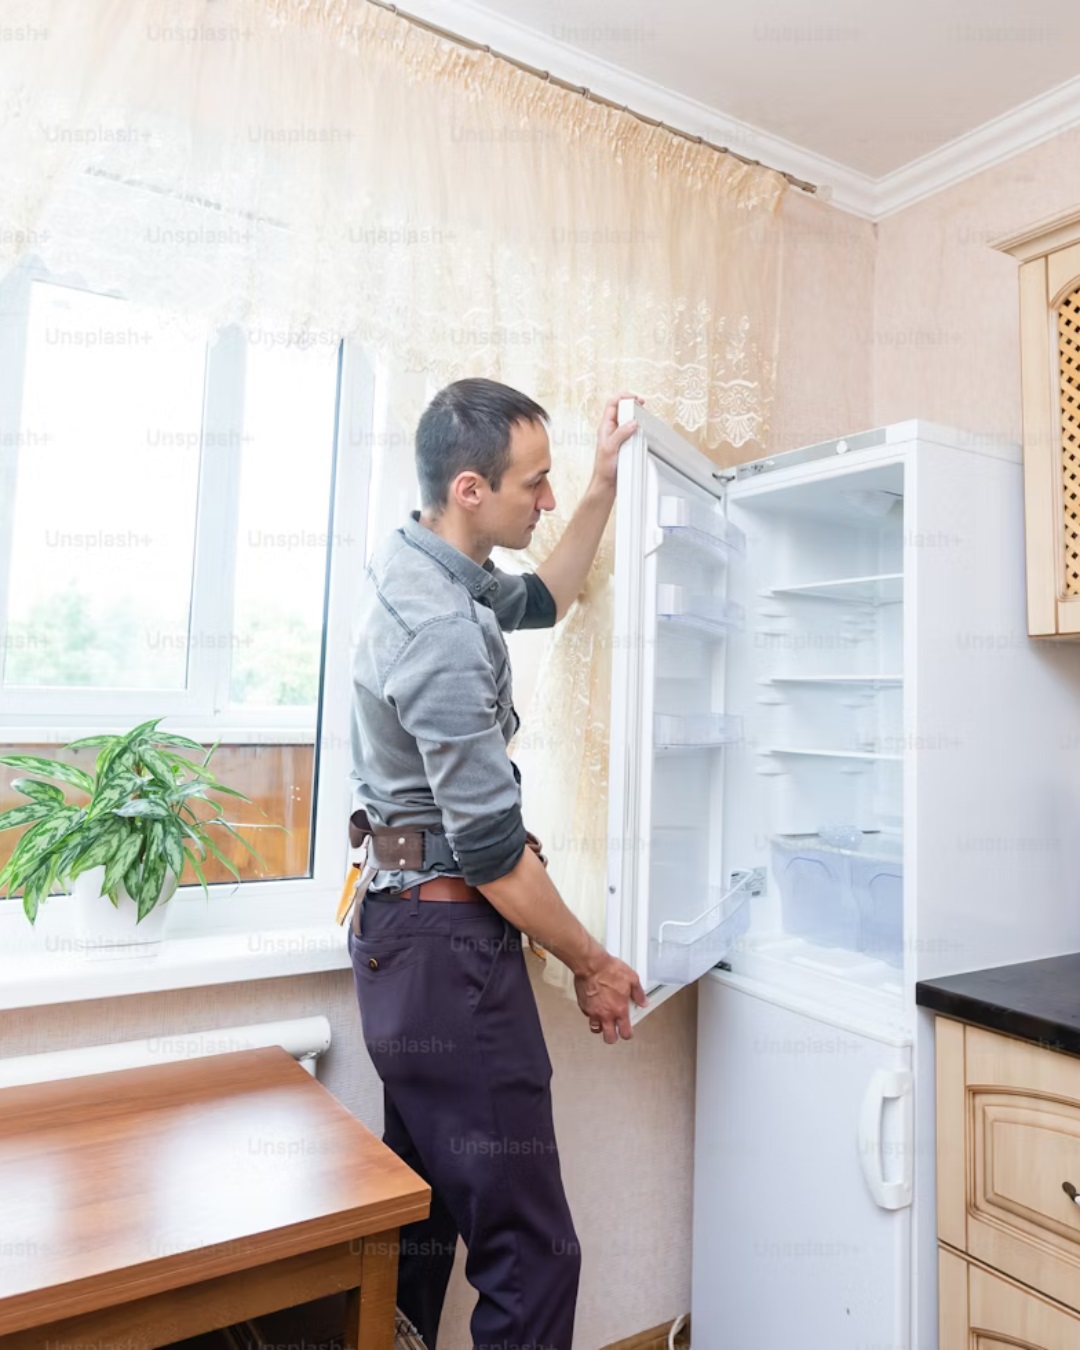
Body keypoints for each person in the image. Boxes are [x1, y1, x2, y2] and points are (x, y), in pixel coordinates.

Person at [345, 377, 648, 1350]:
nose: (546, 499)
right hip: (447, 946)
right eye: (537, 483)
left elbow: (546, 598)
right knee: (532, 1253)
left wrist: (601, 482)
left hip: (407, 937)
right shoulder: (437, 630)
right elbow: (489, 854)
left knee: (425, 1223)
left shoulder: (428, 563)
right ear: (472, 489)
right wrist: (594, 964)